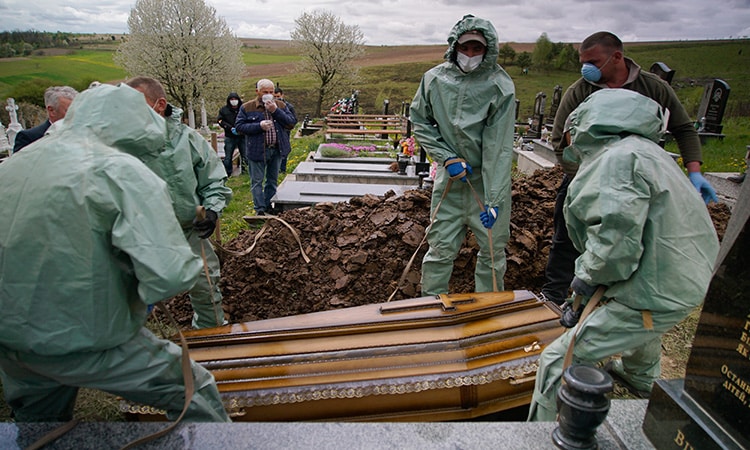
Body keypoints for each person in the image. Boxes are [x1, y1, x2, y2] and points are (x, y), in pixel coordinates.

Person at [0, 83, 230, 422]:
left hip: (11, 335)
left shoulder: (14, 165)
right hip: (84, 334)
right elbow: (169, 275)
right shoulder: (121, 171)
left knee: (39, 425)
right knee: (193, 392)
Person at [527, 89, 720, 421]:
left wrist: (584, 282)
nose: (568, 138)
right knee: (641, 323)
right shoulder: (647, 151)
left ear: (588, 124)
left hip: (659, 288)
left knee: (558, 360)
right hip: (686, 273)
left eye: (571, 129)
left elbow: (615, 244)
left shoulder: (616, 161)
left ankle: (540, 436)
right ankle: (641, 375)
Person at [540, 31, 719, 306]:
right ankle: (554, 295)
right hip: (584, 178)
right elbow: (559, 141)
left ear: (617, 57)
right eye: (582, 61)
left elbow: (683, 128)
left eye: (593, 61)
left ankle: (622, 300)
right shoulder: (581, 90)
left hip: (640, 182)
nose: (586, 68)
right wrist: (585, 179)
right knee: (567, 239)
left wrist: (694, 171)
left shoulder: (652, 88)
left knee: (634, 238)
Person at [409, 14, 516, 295]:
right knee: (440, 248)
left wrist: (494, 200)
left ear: (487, 50)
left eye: (477, 49)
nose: (470, 55)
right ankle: (430, 308)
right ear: (454, 46)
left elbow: (499, 148)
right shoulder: (433, 80)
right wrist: (446, 157)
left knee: (493, 252)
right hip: (451, 181)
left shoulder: (499, 86)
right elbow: (420, 121)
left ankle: (489, 311)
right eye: (465, 48)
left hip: (485, 180)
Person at [125, 76, 233, 329]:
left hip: (189, 229)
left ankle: (211, 336)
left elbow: (213, 178)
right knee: (131, 293)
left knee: (206, 286)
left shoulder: (187, 139)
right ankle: (137, 347)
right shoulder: (123, 144)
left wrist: (212, 210)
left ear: (159, 105)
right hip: (142, 233)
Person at [234, 78, 297, 216]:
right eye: (265, 92)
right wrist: (259, 126)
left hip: (276, 148)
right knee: (257, 181)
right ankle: (259, 208)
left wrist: (275, 111)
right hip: (257, 149)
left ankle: (269, 205)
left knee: (272, 180)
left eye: (271, 92)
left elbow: (291, 122)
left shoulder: (280, 106)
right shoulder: (247, 107)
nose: (268, 94)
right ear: (257, 92)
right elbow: (239, 127)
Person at [12, 85, 78, 152]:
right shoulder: (29, 138)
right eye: (70, 111)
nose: (76, 114)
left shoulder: (82, 132)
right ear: (52, 111)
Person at [217, 92, 245, 177]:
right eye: (231, 99)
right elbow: (220, 120)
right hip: (230, 136)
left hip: (242, 136)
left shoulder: (243, 108)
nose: (234, 101)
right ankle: (227, 173)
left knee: (245, 155)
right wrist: (229, 128)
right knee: (228, 157)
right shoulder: (224, 110)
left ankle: (245, 172)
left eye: (235, 99)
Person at [274, 85, 297, 173]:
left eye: (278, 96)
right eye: (275, 97)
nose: (276, 98)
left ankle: (282, 169)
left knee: (283, 149)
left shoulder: (288, 106)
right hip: (274, 132)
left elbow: (294, 120)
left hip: (285, 131)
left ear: (282, 95)